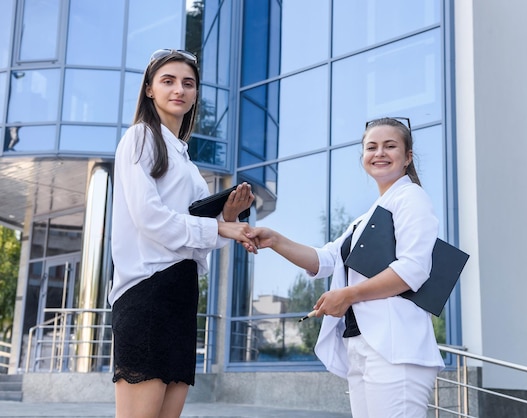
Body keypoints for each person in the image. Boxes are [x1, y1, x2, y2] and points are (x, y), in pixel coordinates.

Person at [248, 117, 444, 418]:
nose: (379, 153)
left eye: (390, 146)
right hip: (361, 346)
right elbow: (326, 259)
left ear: (407, 158)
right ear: (363, 157)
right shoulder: (365, 219)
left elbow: (413, 269)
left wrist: (349, 295)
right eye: (371, 147)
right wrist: (275, 240)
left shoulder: (412, 198)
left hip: (395, 349)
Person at [108, 49, 256, 418]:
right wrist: (219, 225)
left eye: (188, 83)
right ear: (149, 90)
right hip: (146, 292)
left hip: (181, 293)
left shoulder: (188, 163)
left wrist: (229, 219)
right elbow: (149, 217)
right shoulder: (140, 137)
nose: (180, 90)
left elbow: (201, 237)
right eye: (168, 81)